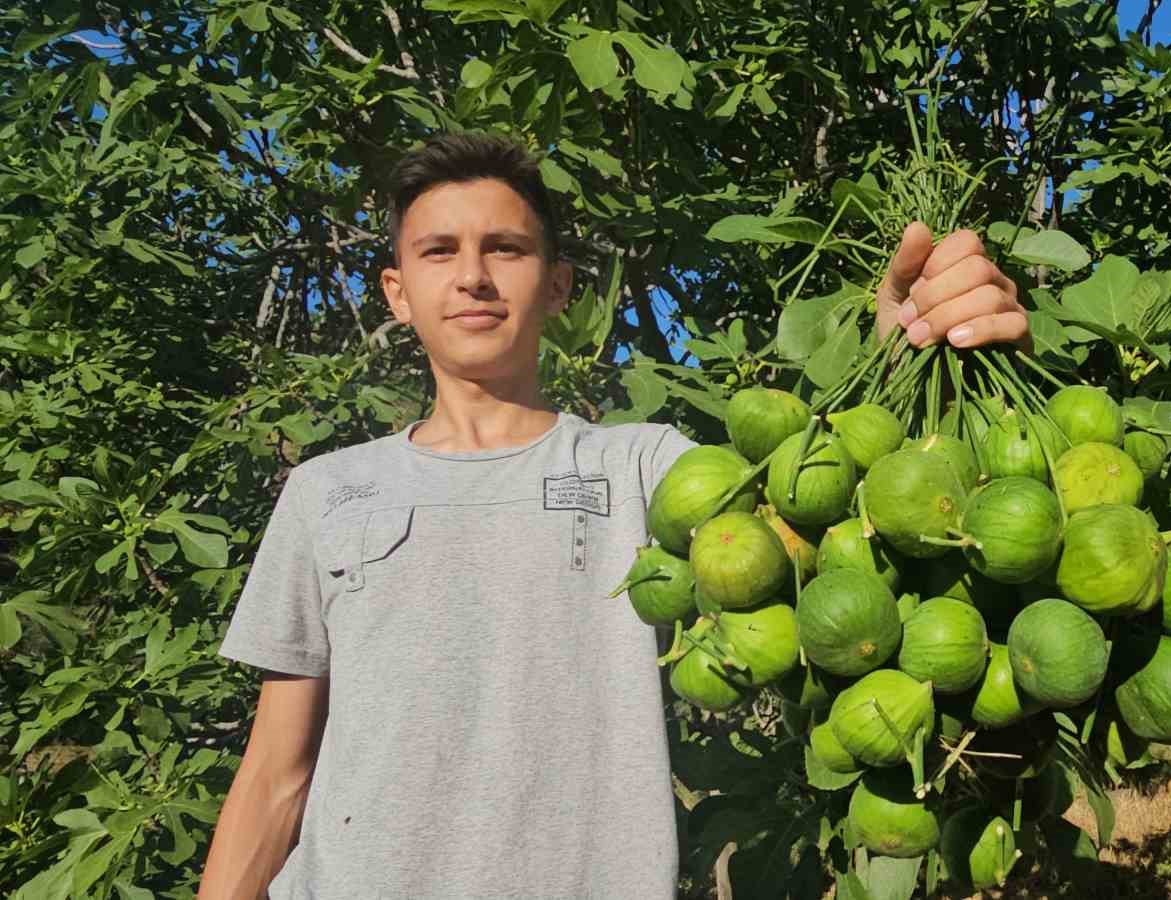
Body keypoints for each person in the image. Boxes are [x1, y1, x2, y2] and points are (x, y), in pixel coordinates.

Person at [197, 131, 1030, 899]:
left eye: (507, 249)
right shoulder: (326, 492)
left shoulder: (642, 465)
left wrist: (908, 342)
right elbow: (276, 772)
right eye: (438, 251)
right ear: (398, 291)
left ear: (558, 285)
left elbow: (815, 509)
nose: (473, 276)